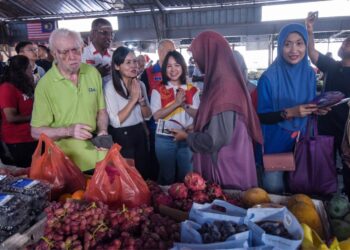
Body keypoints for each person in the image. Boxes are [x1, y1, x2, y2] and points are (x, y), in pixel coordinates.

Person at [172, 31, 262, 190]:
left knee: (226, 206)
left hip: (226, 167)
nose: (196, 62)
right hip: (231, 160)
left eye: (197, 56)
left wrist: (187, 136)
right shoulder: (221, 81)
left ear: (209, 54)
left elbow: (214, 140)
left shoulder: (224, 88)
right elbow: (218, 122)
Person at [256, 23, 330, 193]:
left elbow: (309, 104)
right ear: (280, 46)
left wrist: (317, 109)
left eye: (299, 43)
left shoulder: (309, 74)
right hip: (276, 141)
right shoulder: (269, 78)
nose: (293, 49)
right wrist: (291, 112)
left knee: (300, 187)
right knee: (274, 187)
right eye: (287, 44)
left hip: (303, 139)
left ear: (306, 45)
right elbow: (262, 117)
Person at [31, 28, 108, 173]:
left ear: (82, 48)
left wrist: (103, 131)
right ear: (54, 54)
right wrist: (68, 130)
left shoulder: (92, 73)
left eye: (76, 50)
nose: (72, 56)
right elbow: (35, 132)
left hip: (98, 158)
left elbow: (101, 110)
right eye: (64, 52)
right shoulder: (45, 85)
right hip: (65, 164)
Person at [306, 12, 350, 197]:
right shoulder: (333, 65)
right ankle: (327, 199)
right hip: (327, 125)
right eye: (344, 42)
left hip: (348, 129)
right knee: (326, 166)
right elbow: (312, 53)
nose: (344, 44)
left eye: (348, 43)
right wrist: (310, 30)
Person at [151, 50, 199, 185]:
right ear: (164, 69)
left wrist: (184, 105)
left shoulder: (192, 89)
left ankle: (185, 205)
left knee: (187, 176)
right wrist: (176, 103)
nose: (173, 70)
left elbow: (198, 115)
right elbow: (156, 116)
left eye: (177, 65)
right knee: (167, 177)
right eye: (169, 66)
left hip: (186, 136)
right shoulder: (158, 89)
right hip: (164, 138)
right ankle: (166, 205)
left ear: (183, 67)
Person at [105, 46, 152, 179]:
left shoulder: (140, 85)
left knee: (143, 175)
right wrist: (133, 99)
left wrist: (141, 101)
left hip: (140, 133)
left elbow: (148, 116)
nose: (133, 66)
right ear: (117, 66)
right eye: (128, 62)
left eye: (135, 62)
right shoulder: (110, 87)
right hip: (122, 136)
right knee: (126, 178)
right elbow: (116, 121)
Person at [140, 39, 176, 180]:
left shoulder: (175, 71)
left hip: (176, 124)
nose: (172, 54)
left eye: (173, 51)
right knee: (158, 163)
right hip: (156, 126)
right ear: (159, 52)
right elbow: (142, 101)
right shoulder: (147, 73)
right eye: (169, 51)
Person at [0, 55, 37, 167]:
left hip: (32, 137)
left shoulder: (24, 86)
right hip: (17, 141)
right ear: (22, 70)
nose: (32, 70)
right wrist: (33, 117)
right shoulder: (7, 88)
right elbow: (10, 117)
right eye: (29, 68)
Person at [82, 18, 113, 86]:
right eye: (104, 33)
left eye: (111, 34)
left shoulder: (113, 56)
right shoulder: (82, 54)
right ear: (93, 33)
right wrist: (95, 74)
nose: (109, 37)